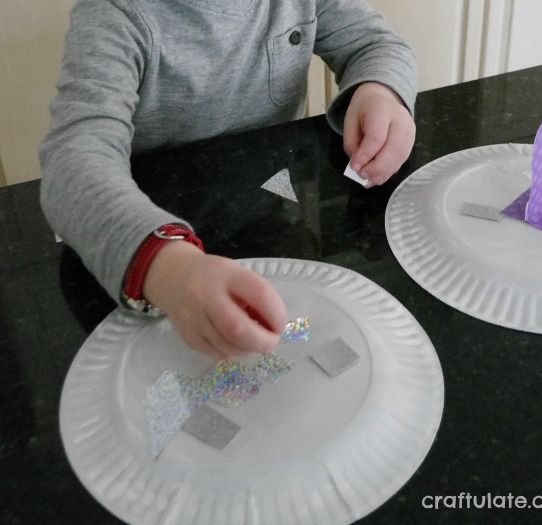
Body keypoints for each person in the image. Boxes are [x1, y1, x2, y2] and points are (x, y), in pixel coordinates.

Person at [40, 0, 417, 360]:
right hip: (146, 242)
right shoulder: (114, 13)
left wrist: (380, 91)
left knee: (296, 363)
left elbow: (375, 44)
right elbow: (73, 159)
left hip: (275, 226)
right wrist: (168, 271)